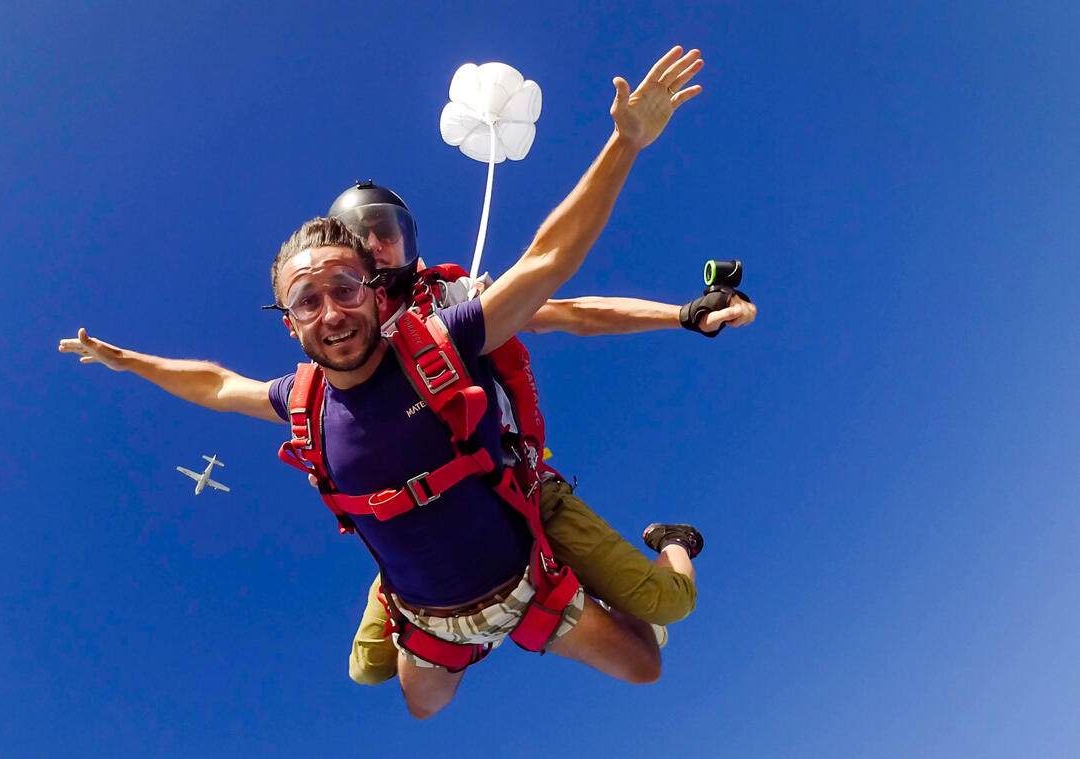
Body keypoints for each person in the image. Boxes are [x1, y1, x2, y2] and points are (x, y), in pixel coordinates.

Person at [60, 47, 705, 718]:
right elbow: (216, 385)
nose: (332, 311)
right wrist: (131, 361)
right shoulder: (304, 398)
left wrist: (626, 147)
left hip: (520, 533)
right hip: (426, 604)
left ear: (372, 286)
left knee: (654, 639)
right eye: (307, 301)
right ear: (288, 323)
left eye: (348, 286)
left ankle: (673, 543)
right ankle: (414, 568)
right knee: (376, 676)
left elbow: (550, 268)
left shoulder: (451, 323)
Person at [325, 178, 753, 687]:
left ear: (408, 242)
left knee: (667, 603)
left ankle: (674, 540)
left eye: (387, 232)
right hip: (428, 524)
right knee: (366, 668)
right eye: (361, 235)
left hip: (518, 486)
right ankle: (478, 615)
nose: (376, 245)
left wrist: (681, 315)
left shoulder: (455, 304)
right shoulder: (334, 342)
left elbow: (571, 315)